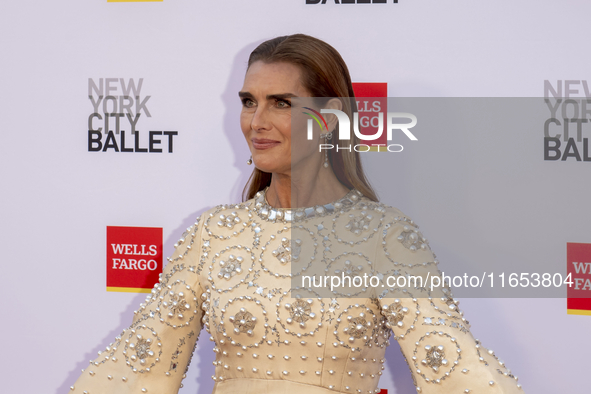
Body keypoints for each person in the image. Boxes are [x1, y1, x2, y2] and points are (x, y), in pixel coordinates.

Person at [68, 34, 524, 394]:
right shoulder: (213, 233)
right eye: (249, 101)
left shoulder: (384, 237)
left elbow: (456, 367)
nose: (255, 121)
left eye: (281, 103)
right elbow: (138, 365)